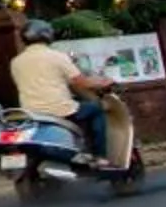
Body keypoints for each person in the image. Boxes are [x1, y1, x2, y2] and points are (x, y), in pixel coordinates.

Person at [10, 19, 115, 158]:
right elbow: (82, 83)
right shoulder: (57, 57)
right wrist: (104, 82)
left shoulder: (16, 61)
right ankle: (101, 156)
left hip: (31, 113)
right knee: (97, 109)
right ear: (47, 35)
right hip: (60, 110)